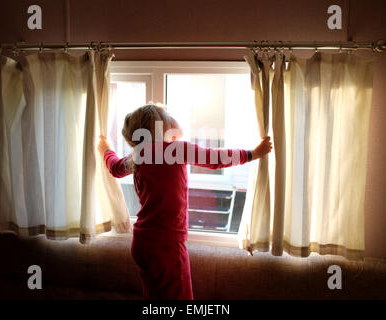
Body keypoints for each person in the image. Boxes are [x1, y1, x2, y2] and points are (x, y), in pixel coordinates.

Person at [97, 104, 272, 300]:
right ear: (160, 126)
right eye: (167, 116)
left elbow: (114, 168)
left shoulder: (140, 155)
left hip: (142, 243)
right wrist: (253, 154)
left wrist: (105, 149)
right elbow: (216, 158)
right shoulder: (176, 150)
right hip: (166, 245)